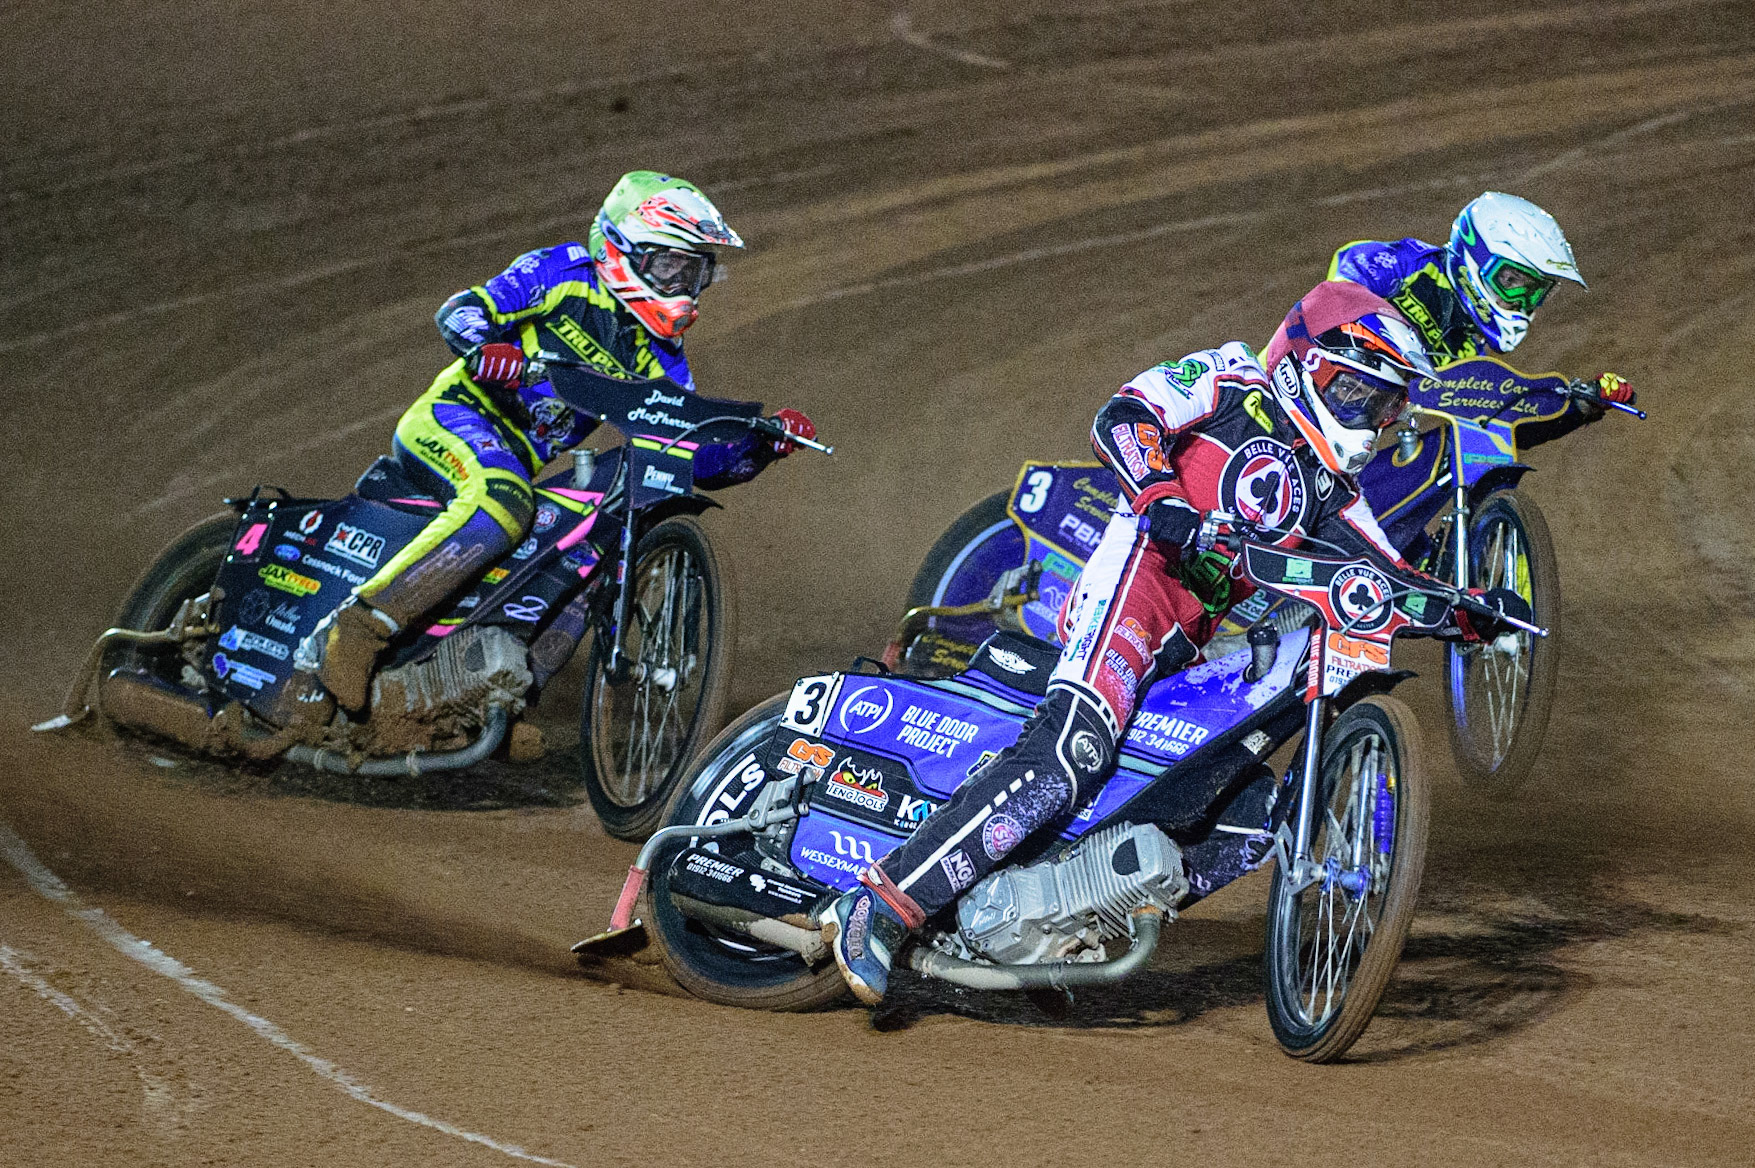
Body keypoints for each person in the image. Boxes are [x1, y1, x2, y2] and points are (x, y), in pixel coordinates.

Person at [822, 281, 1506, 1004]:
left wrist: (1467, 612)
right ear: (1308, 362)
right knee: (1068, 756)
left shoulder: (1333, 488)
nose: (1366, 418)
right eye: (1358, 395)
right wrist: (1160, 495)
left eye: (1382, 405)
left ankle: (1048, 914)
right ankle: (880, 906)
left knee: (1246, 823)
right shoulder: (1234, 379)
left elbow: (1386, 572)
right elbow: (1124, 415)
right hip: (1135, 586)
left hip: (1191, 644)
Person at [283, 170, 814, 726]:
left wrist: (759, 444)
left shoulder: (661, 355)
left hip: (515, 458)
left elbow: (685, 451)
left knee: (587, 551)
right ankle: (360, 626)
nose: (682, 285)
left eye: (694, 271)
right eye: (669, 266)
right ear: (621, 250)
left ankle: (490, 704)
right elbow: (463, 309)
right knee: (503, 501)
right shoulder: (562, 273)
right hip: (456, 417)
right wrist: (487, 349)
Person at [1327, 191, 1634, 440]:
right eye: (1512, 282)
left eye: (1534, 292)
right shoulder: (1410, 265)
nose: (1521, 301)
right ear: (1478, 258)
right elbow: (1342, 281)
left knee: (1452, 447)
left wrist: (1579, 407)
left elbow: (1500, 428)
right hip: (1310, 400)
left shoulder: (1467, 349)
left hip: (1360, 438)